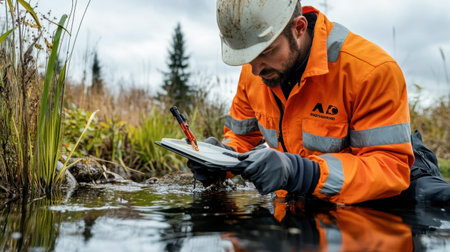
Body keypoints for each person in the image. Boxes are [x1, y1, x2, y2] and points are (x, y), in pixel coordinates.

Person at [188, 0, 450, 205]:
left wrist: (304, 173)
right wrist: (221, 160)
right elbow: (241, 138)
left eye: (266, 52)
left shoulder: (371, 71)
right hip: (312, 192)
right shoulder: (256, 72)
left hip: (398, 182)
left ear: (299, 28)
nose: (255, 70)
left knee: (435, 203)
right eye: (247, 58)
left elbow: (389, 168)